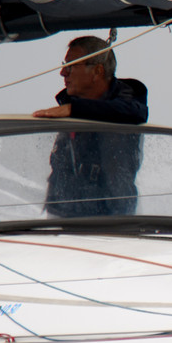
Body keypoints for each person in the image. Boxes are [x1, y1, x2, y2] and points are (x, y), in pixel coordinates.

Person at [35, 35, 149, 217]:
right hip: (60, 216)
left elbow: (133, 113)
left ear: (97, 71)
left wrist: (74, 109)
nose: (63, 73)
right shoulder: (67, 106)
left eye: (71, 65)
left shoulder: (129, 97)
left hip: (113, 221)